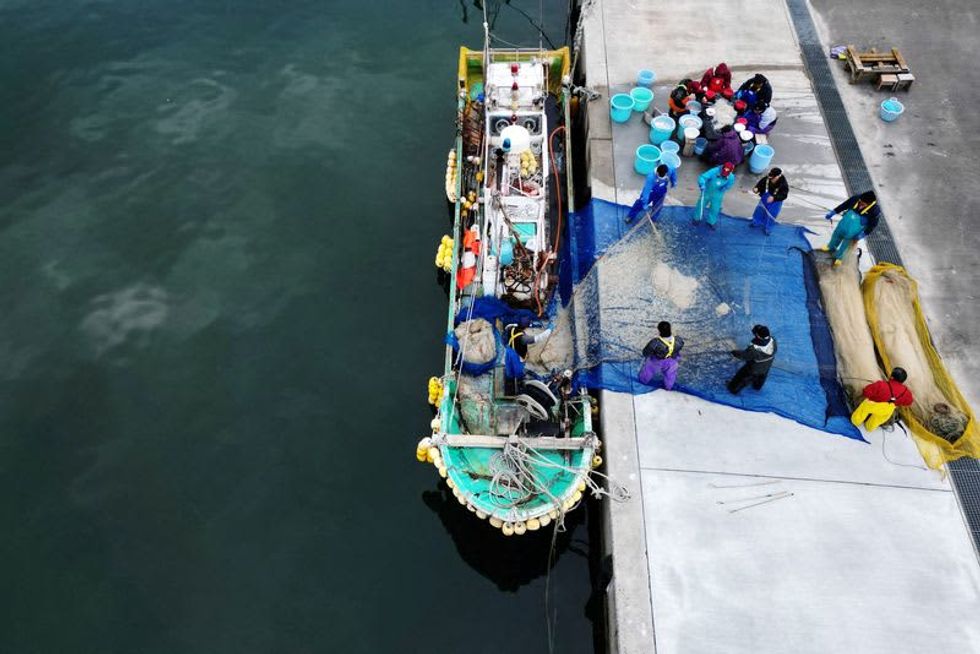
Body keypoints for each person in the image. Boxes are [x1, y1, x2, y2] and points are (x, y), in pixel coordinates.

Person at [821, 190, 880, 266]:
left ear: (869, 203)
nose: (861, 204)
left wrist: (863, 234)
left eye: (863, 203)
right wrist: (833, 212)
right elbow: (844, 205)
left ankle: (839, 257)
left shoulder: (875, 211)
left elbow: (873, 225)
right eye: (860, 201)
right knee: (836, 236)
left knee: (846, 245)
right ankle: (831, 247)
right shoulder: (856, 198)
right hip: (843, 225)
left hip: (853, 232)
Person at [503, 321, 551, 394]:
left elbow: (508, 327)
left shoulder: (510, 329)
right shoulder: (522, 338)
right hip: (516, 355)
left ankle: (509, 387)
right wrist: (548, 332)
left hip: (508, 352)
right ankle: (519, 387)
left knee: (509, 371)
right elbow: (536, 338)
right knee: (518, 372)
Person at [727, 325, 777, 394]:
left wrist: (734, 352)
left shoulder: (754, 349)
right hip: (766, 367)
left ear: (758, 336)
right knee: (761, 378)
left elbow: (745, 356)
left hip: (754, 369)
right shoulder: (773, 341)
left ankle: (732, 388)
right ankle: (757, 386)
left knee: (741, 377)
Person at [638, 321, 684, 390]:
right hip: (672, 361)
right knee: (670, 375)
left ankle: (642, 381)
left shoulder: (655, 342)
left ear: (659, 330)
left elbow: (645, 353)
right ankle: (668, 387)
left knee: (649, 370)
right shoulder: (678, 340)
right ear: (670, 329)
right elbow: (681, 345)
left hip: (657, 361)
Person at [695, 162, 736, 229]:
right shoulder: (714, 171)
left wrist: (724, 188)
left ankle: (711, 222)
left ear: (730, 171)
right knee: (701, 205)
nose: (723, 175)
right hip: (707, 190)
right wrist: (702, 184)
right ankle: (696, 218)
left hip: (718, 193)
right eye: (723, 172)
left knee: (715, 208)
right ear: (722, 168)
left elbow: (730, 184)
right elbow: (702, 177)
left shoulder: (731, 177)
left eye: (725, 174)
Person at [749, 168, 789, 234]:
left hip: (776, 201)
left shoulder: (783, 184)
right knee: (759, 210)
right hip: (765, 198)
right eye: (770, 176)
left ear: (777, 176)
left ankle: (767, 227)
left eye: (773, 177)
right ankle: (756, 222)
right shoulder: (768, 178)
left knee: (771, 214)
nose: (770, 178)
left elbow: (784, 195)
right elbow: (760, 184)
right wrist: (756, 188)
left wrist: (774, 198)